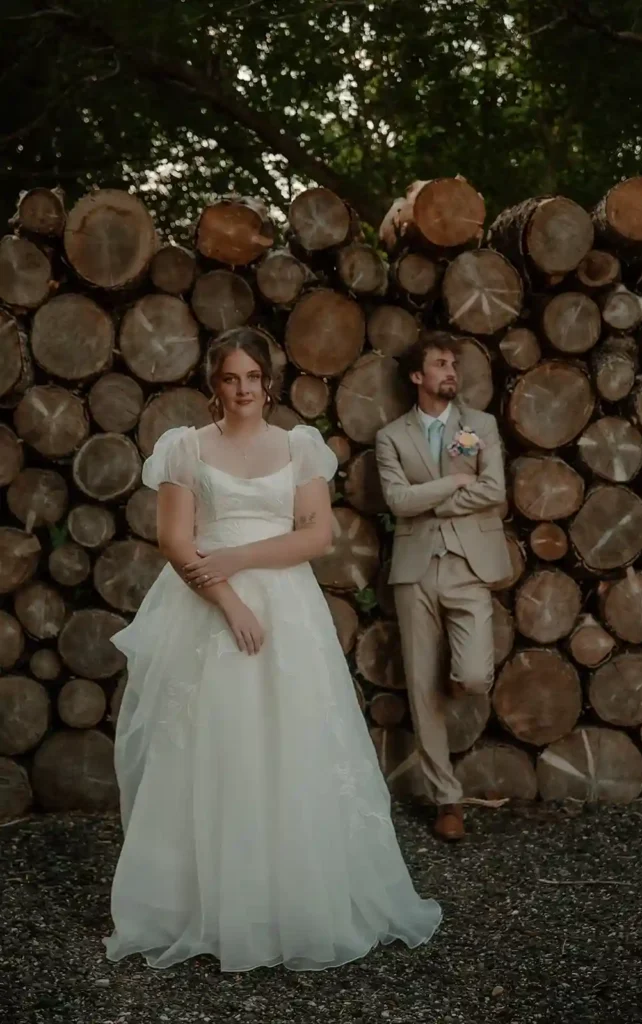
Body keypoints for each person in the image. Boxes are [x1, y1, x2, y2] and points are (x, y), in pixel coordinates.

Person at [103, 327, 441, 973]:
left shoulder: (298, 447)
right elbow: (175, 541)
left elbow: (317, 534)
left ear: (268, 382)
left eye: (251, 378)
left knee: (291, 742)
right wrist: (228, 597)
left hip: (287, 609)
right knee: (214, 746)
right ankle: (203, 903)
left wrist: (240, 556)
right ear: (214, 384)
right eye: (229, 379)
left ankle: (294, 898)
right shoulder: (185, 449)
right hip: (208, 607)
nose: (241, 390)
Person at [375, 333, 512, 842]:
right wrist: (452, 486)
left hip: (468, 565)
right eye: (439, 363)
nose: (450, 370)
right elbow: (395, 500)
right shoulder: (391, 437)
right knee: (420, 688)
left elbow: (493, 488)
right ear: (418, 377)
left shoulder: (477, 427)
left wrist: (431, 498)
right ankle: (446, 799)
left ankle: (459, 677)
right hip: (414, 570)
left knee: (473, 674)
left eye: (453, 363)